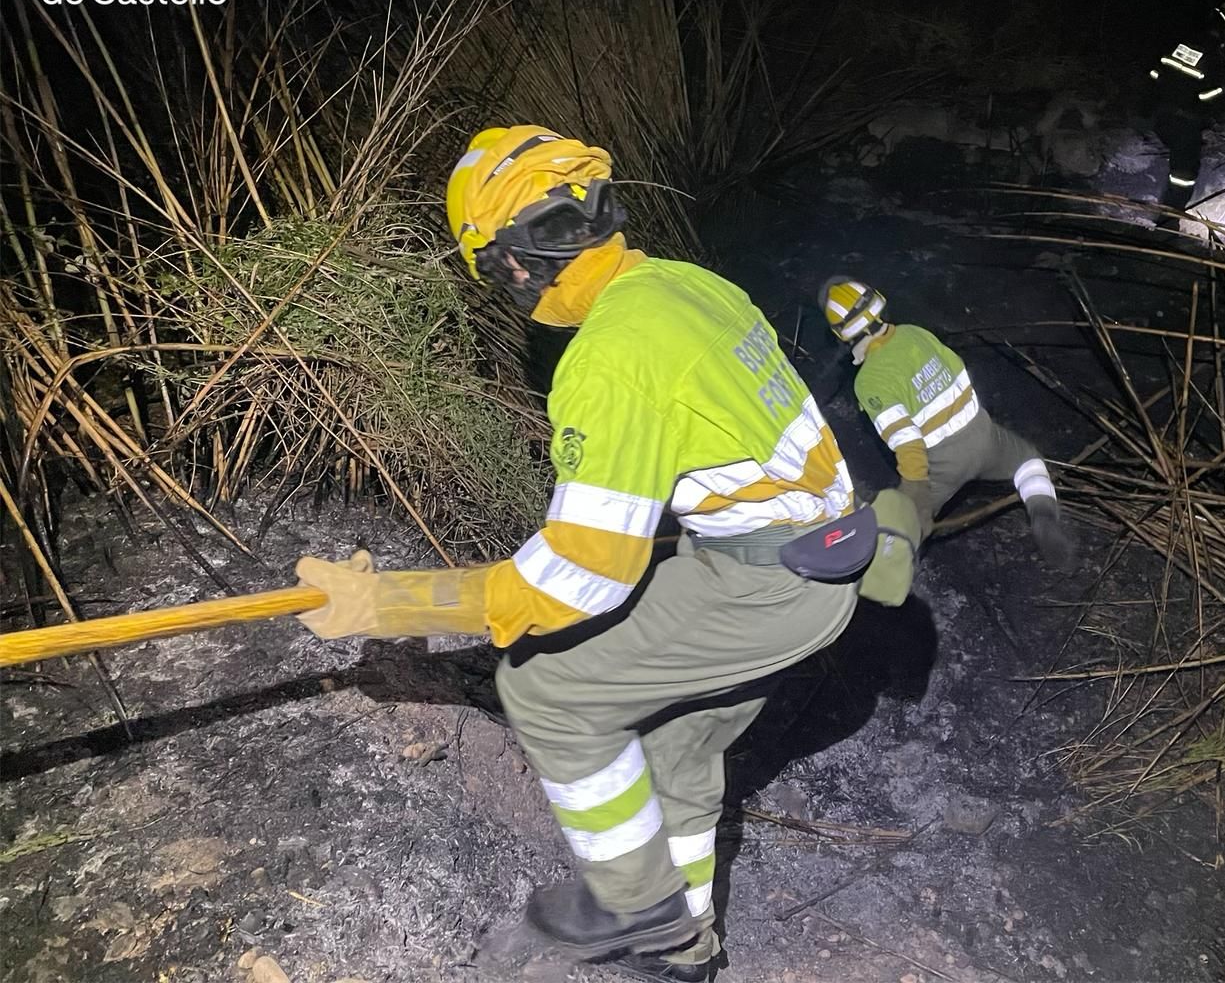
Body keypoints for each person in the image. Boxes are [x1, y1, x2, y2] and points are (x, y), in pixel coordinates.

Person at [292, 125, 864, 981]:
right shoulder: (684, 284)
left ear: (513, 261)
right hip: (821, 553)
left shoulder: (607, 358)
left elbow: (581, 580)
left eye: (489, 268)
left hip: (766, 585)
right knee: (677, 742)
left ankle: (636, 909)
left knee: (546, 688)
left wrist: (390, 604)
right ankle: (686, 948)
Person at [818, 277, 1074, 566]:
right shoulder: (915, 333)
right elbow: (957, 371)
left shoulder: (870, 380)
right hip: (983, 434)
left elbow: (907, 442)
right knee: (1029, 462)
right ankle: (1043, 513)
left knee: (901, 529)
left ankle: (883, 581)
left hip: (943, 462)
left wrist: (915, 495)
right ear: (879, 305)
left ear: (842, 334)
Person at [1140, 2, 1225, 226]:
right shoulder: (1216, 56)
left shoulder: (1184, 43)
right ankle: (1168, 224)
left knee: (1175, 159)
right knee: (1184, 175)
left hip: (1161, 113)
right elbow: (1207, 100)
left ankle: (1163, 211)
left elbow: (1156, 74)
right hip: (1184, 121)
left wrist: (1148, 106)